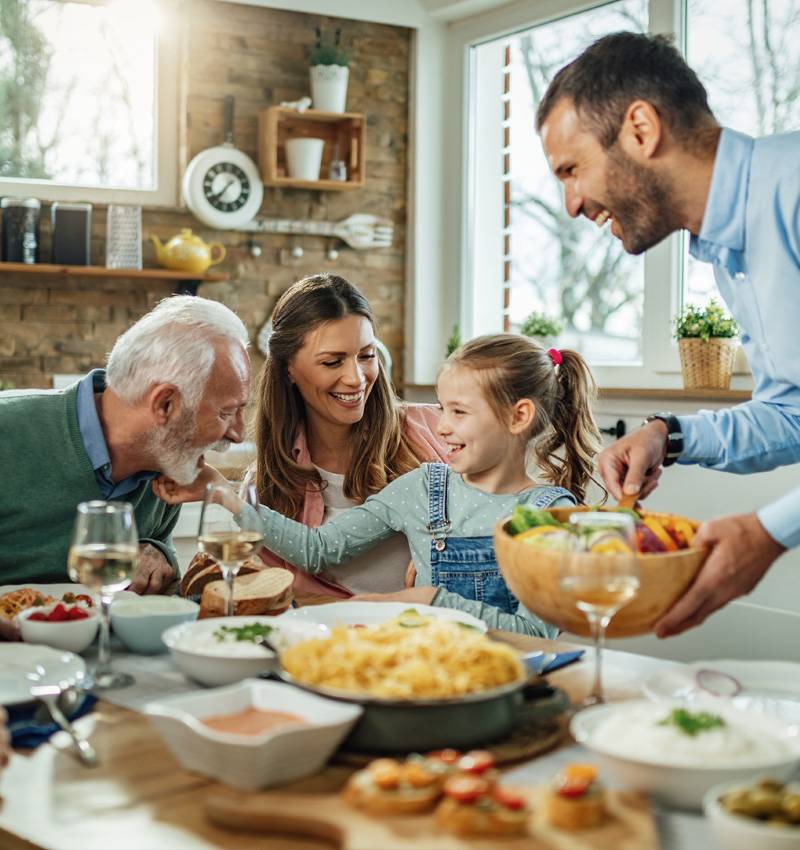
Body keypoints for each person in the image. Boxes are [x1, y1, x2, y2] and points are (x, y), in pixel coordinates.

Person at [536, 31, 799, 637]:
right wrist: (668, 435)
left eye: (572, 170)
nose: (572, 204)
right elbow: (794, 413)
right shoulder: (729, 246)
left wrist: (769, 531)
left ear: (641, 129)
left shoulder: (793, 187)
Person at [156, 334, 602, 635]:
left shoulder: (547, 514)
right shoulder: (425, 487)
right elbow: (318, 549)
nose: (442, 427)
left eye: (459, 413)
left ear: (518, 416)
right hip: (419, 670)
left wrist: (432, 600)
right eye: (442, 409)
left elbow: (537, 633)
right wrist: (225, 495)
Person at [0, 295, 250, 592]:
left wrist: (160, 553)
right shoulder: (9, 431)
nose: (238, 434)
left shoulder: (167, 463)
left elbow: (156, 601)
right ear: (165, 404)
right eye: (227, 412)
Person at [245, 273, 449, 597]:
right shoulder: (267, 486)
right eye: (332, 362)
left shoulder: (438, 430)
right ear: (288, 369)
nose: (356, 378)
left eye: (366, 356)